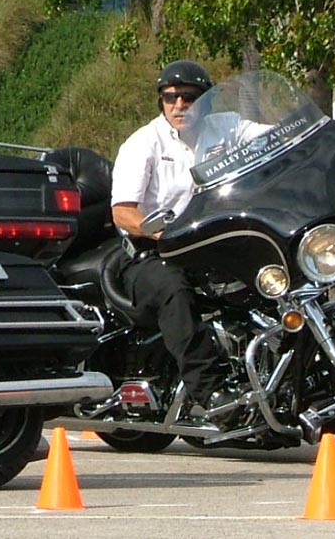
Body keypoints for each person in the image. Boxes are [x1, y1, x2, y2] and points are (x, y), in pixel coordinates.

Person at [110, 59, 236, 424]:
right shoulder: (144, 143)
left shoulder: (226, 129)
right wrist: (161, 233)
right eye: (170, 97)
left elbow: (275, 136)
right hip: (150, 253)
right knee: (173, 290)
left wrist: (320, 133)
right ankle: (210, 391)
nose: (179, 105)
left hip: (206, 246)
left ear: (205, 101)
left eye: (189, 97)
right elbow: (123, 212)